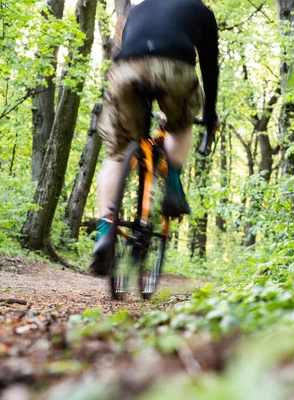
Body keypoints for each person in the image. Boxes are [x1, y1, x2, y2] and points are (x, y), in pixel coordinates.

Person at [91, 0, 220, 276]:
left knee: (117, 152)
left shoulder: (137, 10)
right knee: (179, 123)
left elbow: (122, 52)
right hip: (175, 69)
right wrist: (209, 114)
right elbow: (210, 67)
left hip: (126, 70)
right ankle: (173, 185)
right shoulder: (201, 11)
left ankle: (104, 230)